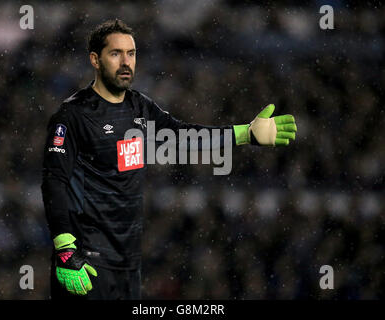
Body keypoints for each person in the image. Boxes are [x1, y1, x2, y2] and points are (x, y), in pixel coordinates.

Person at [41, 19, 297, 300]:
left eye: (132, 53)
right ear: (95, 60)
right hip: (83, 261)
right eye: (116, 54)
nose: (126, 62)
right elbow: (55, 181)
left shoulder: (140, 107)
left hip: (126, 262)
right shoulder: (73, 116)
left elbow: (185, 137)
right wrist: (65, 248)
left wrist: (245, 133)